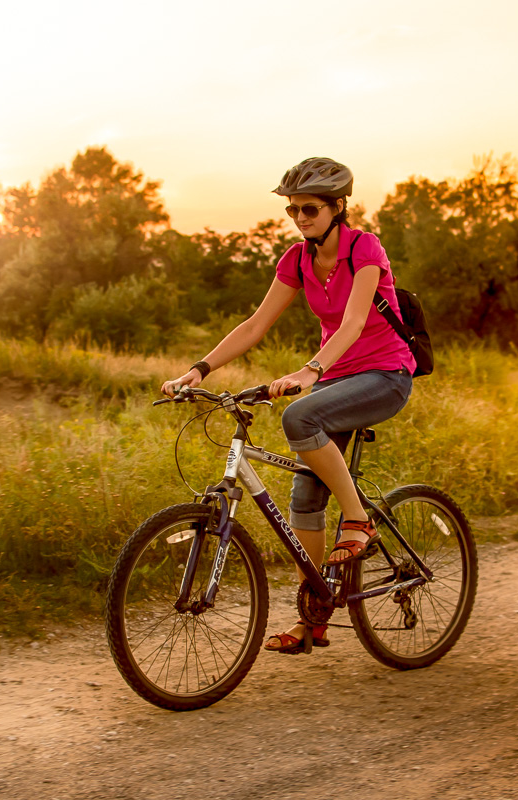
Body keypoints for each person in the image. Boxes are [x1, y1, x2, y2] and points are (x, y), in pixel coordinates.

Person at [160, 157, 416, 654]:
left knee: (301, 415)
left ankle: (358, 519)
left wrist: (309, 372)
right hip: (336, 378)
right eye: (293, 209)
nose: (300, 217)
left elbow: (354, 323)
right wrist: (199, 369)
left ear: (338, 208)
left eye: (311, 209)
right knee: (303, 499)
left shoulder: (366, 249)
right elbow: (254, 326)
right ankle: (312, 617)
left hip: (386, 374)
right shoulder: (297, 260)